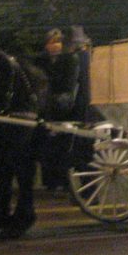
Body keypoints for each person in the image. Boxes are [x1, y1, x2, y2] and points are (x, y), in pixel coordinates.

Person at [32, 28, 80, 190]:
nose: (56, 45)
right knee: (47, 144)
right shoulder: (41, 61)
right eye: (52, 42)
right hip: (46, 102)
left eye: (58, 42)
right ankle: (51, 181)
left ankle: (64, 180)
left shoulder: (69, 59)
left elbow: (69, 84)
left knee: (61, 145)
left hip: (62, 100)